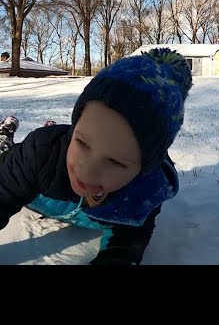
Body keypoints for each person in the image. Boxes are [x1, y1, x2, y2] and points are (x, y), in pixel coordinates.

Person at [0, 48, 193, 265]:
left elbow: (126, 244)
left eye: (114, 161)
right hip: (26, 177)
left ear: (144, 168)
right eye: (82, 142)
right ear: (75, 127)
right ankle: (4, 137)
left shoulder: (145, 191)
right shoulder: (42, 152)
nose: (87, 172)